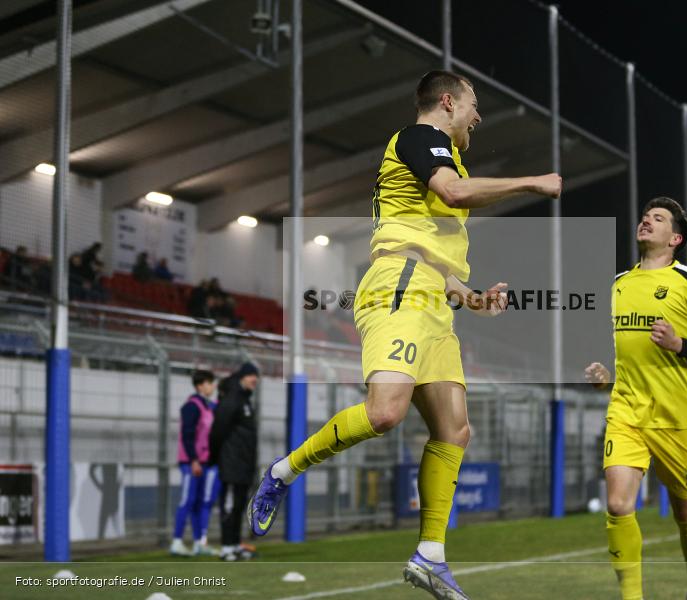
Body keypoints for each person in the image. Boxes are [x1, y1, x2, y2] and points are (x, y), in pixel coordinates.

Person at [247, 70, 562, 600]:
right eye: (473, 106)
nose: (478, 117)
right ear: (447, 103)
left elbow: (437, 254)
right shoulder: (421, 138)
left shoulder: (443, 154)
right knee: (384, 413)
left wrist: (473, 297)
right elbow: (455, 195)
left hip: (431, 295)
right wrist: (532, 182)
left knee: (456, 430)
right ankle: (282, 470)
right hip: (399, 286)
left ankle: (431, 556)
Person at [584, 197, 687, 600]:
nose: (647, 220)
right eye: (646, 216)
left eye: (659, 218)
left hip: (676, 417)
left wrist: (680, 344)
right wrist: (604, 378)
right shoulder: (619, 284)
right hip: (627, 411)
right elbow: (619, 352)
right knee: (617, 505)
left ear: (675, 238)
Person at [209, 362, 260, 561]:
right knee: (230, 507)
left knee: (239, 506)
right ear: (242, 377)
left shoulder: (244, 399)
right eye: (251, 376)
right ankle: (226, 548)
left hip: (244, 464)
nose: (255, 380)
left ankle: (236, 545)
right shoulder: (232, 399)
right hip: (231, 463)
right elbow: (218, 431)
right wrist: (214, 458)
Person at [170, 370, 220, 557]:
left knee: (201, 503)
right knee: (187, 500)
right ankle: (177, 541)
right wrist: (193, 460)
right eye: (210, 383)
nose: (212, 386)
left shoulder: (209, 406)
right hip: (192, 462)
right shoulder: (192, 406)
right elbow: (187, 435)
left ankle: (200, 542)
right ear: (200, 385)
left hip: (205, 462)